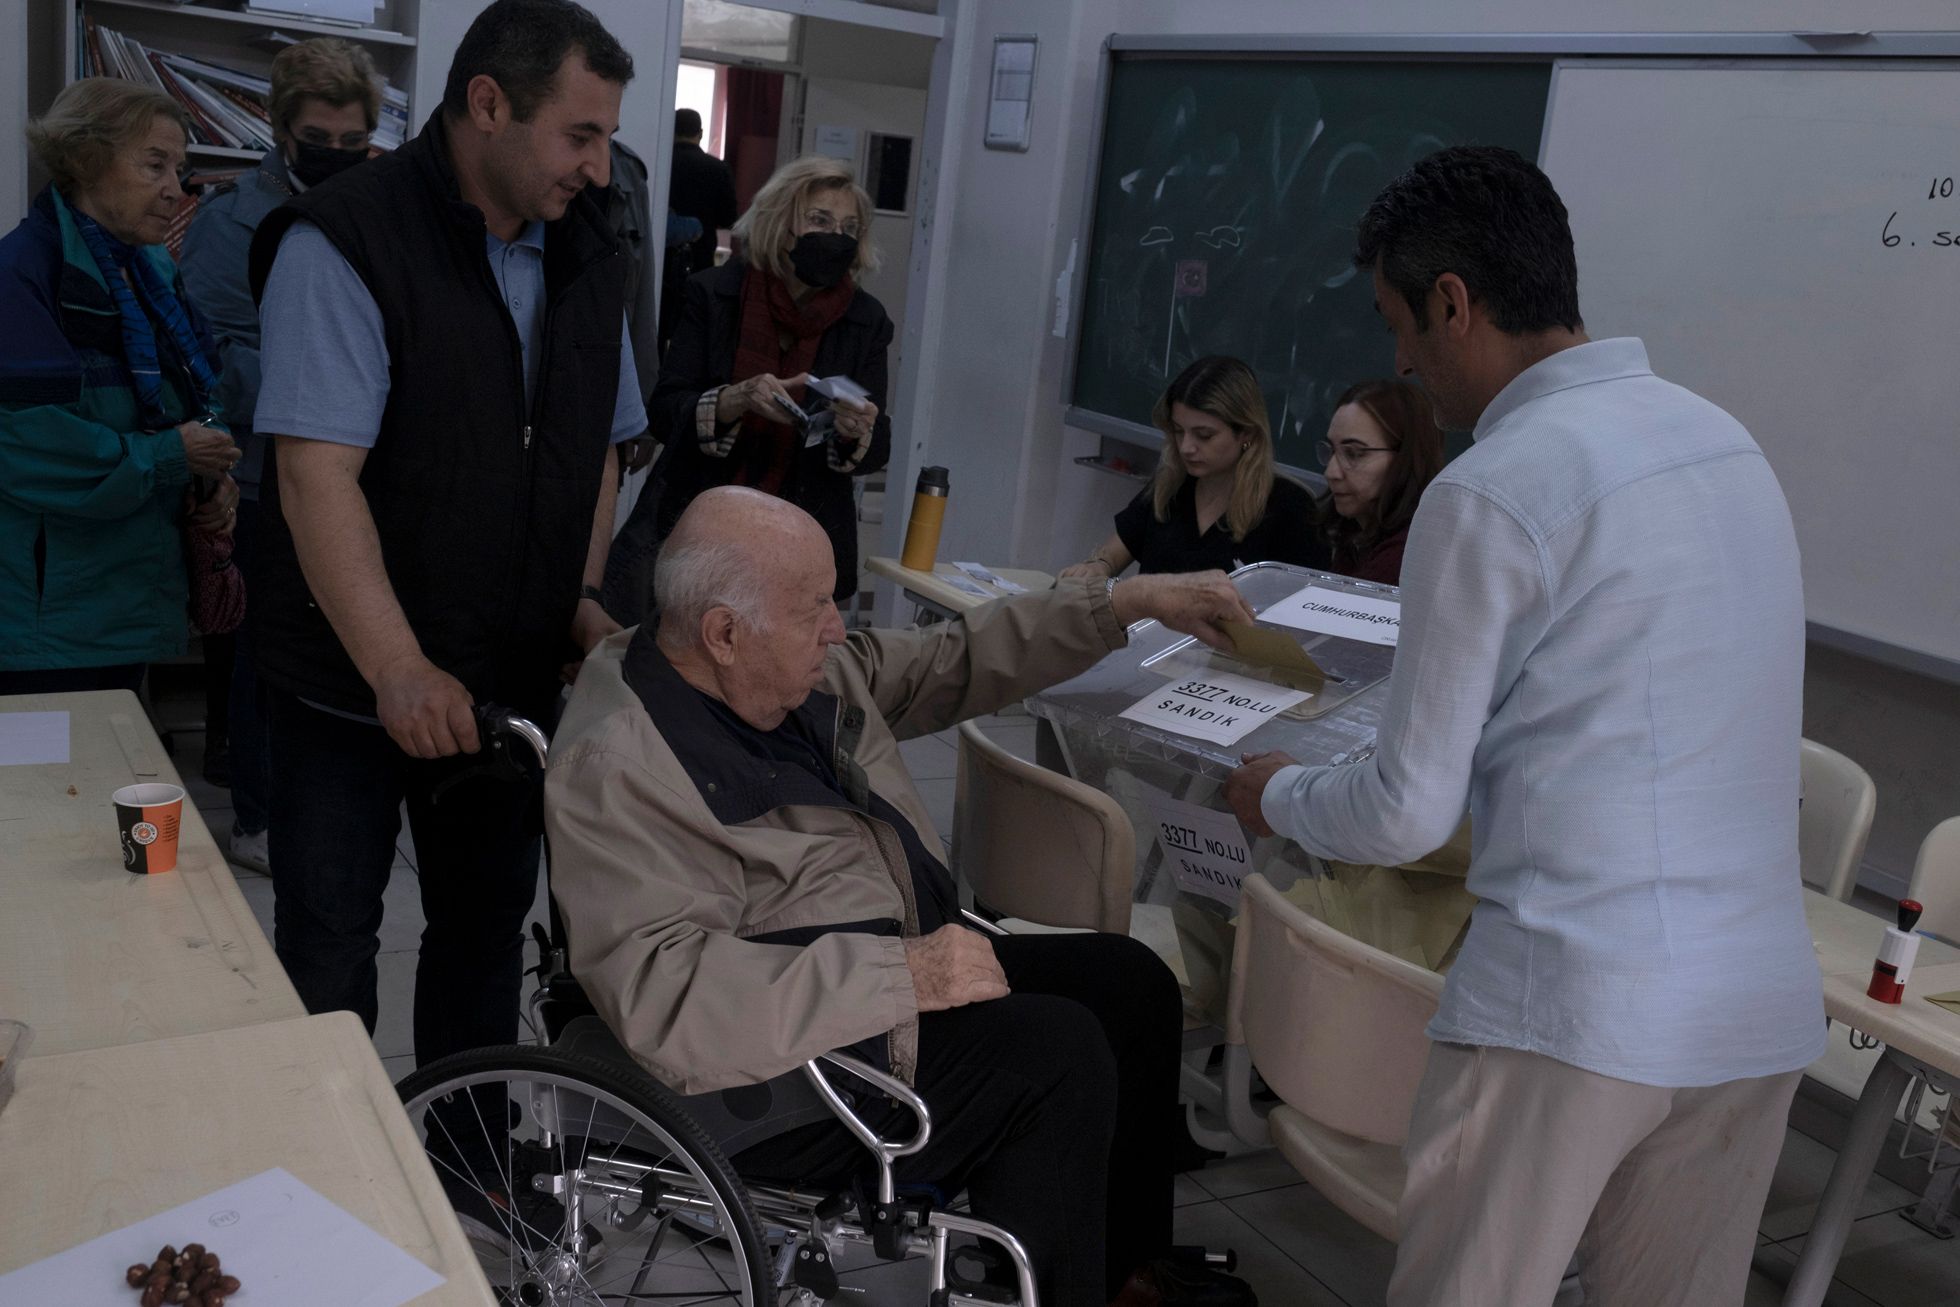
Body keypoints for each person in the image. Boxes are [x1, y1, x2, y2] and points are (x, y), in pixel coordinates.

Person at [1224, 146, 1825, 1307]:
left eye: (1399, 324)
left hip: (1570, 1004)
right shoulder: (1722, 438)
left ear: (1453, 303)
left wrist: (1277, 792)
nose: (1401, 360)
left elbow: (1405, 808)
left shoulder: (1492, 484)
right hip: (1752, 1002)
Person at [547, 487, 1260, 1307]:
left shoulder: (790, 673)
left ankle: (1125, 1274)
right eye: (816, 608)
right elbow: (670, 994)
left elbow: (955, 658)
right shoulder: (620, 766)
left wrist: (1124, 603)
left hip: (879, 981)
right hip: (785, 1070)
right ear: (724, 633)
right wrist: (902, 974)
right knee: (1053, 1055)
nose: (837, 628)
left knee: (1129, 983)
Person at [245, 0, 642, 1085]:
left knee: (481, 934)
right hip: (348, 683)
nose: (599, 167)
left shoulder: (590, 249)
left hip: (503, 681)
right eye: (580, 134)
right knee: (330, 943)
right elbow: (314, 475)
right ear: (488, 104)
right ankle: (332, 1156)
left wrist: (579, 591)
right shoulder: (346, 239)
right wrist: (397, 666)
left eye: (606, 136)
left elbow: (599, 448)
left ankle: (465, 1156)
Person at [180, 35, 383, 873]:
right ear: (279, 128)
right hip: (265, 469)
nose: (335, 154)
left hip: (362, 469)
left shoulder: (379, 207)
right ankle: (257, 817)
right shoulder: (231, 221)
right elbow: (215, 357)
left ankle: (315, 804)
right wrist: (337, 380)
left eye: (352, 141)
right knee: (266, 651)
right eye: (317, 140)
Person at [0, 78, 240, 697]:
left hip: (125, 601)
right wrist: (171, 457)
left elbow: (198, 396)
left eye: (179, 169)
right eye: (154, 165)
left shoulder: (152, 271)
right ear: (85, 159)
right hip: (47, 626)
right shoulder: (19, 276)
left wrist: (212, 478)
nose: (176, 189)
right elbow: (23, 448)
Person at [650, 154, 890, 605]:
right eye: (819, 220)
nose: (835, 237)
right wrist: (734, 400)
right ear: (780, 222)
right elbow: (664, 411)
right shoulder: (713, 293)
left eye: (849, 228)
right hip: (704, 529)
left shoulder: (866, 320)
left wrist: (856, 429)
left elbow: (876, 447)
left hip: (806, 536)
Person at [1060, 356, 1323, 581]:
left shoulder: (1290, 507)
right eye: (1178, 431)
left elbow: (1302, 609)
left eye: (1204, 435)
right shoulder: (1171, 486)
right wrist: (1098, 567)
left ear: (1247, 433)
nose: (1186, 447)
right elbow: (1110, 556)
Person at [1314, 379, 1444, 585]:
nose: (1331, 472)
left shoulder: (1407, 555)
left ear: (1406, 458)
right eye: (1331, 450)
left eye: (1354, 453)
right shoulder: (1355, 536)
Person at [668, 106, 736, 279]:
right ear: (701, 133)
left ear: (671, 131)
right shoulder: (718, 168)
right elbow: (728, 219)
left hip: (663, 254)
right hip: (701, 256)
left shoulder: (663, 164)